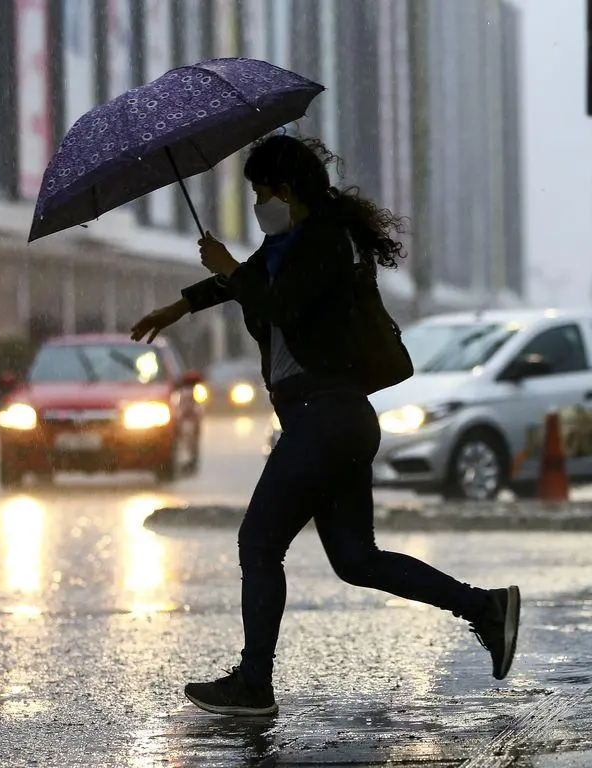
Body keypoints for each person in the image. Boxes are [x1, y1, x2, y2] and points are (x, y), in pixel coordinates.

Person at [130, 134, 520, 717]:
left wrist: (233, 270)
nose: (259, 201)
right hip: (328, 420)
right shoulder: (287, 244)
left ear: (286, 189)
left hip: (326, 417)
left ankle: (254, 683)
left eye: (262, 190)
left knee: (259, 541)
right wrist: (180, 306)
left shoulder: (325, 244)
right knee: (356, 560)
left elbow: (280, 303)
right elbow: (245, 284)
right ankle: (485, 608)